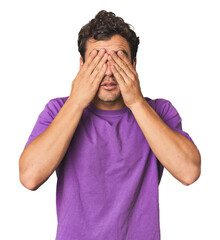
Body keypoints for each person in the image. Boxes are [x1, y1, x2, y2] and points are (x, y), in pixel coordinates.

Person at [19, 10, 201, 240]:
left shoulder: (160, 112)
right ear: (82, 64)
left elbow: (189, 172)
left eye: (118, 59)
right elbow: (29, 178)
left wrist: (135, 101)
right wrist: (76, 102)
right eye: (97, 60)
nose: (107, 71)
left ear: (133, 64)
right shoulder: (58, 110)